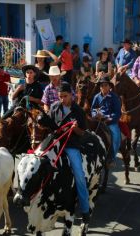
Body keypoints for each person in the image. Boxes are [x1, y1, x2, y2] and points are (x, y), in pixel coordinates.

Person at [45, 82, 91, 225]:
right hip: (55, 143)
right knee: (38, 163)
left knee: (79, 174)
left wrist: (76, 129)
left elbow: (82, 133)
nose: (62, 99)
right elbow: (49, 126)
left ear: (71, 94)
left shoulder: (78, 111)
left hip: (71, 145)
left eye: (65, 96)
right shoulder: (54, 108)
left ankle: (85, 209)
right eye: (60, 97)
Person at [91, 77, 121, 168]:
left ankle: (112, 158)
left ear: (109, 86)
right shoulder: (97, 97)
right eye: (102, 86)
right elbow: (92, 109)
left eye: (105, 85)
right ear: (100, 87)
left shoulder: (114, 97)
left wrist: (108, 118)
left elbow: (117, 113)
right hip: (98, 120)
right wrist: (95, 114)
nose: (103, 87)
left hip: (110, 122)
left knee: (116, 137)